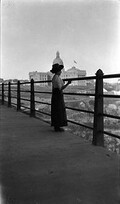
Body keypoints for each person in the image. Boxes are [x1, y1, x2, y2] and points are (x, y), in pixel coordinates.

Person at [50, 53, 71, 132]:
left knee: (56, 109)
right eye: (60, 70)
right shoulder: (57, 78)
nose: (61, 72)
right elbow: (61, 88)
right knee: (59, 109)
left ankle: (56, 126)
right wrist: (68, 83)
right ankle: (57, 126)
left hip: (55, 95)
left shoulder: (55, 77)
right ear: (58, 71)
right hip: (58, 95)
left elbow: (58, 85)